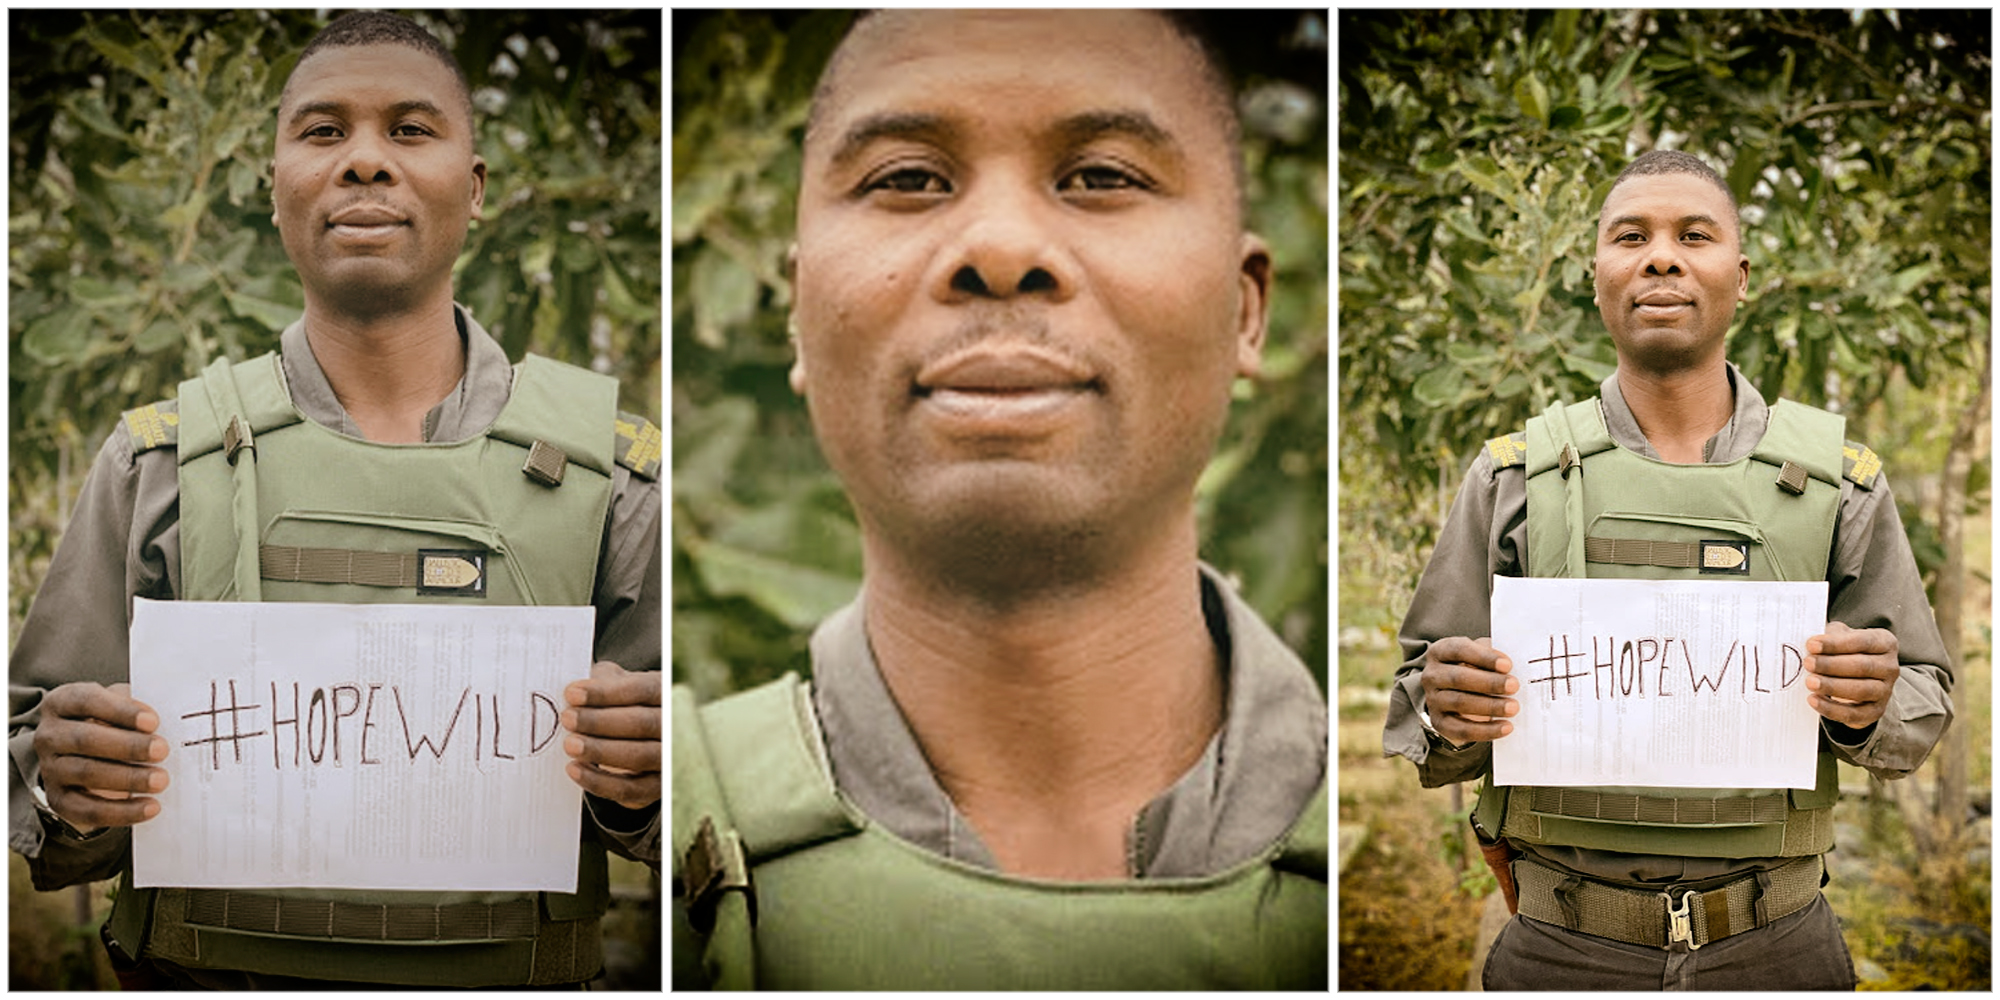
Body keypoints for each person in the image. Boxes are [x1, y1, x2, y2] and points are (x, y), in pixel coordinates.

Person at [671, 9, 1327, 990]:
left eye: (1101, 175)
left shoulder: (1382, 836)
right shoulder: (615, 844)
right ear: (800, 317)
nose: (1002, 246)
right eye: (906, 179)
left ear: (1243, 309)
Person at [7, 11, 662, 989]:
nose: (364, 162)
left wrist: (649, 775)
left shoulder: (614, 481)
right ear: (276, 192)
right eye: (322, 131)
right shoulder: (159, 463)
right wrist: (65, 780)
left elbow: (686, 807)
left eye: (409, 129)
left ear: (473, 189)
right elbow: (36, 755)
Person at [1385, 149, 1954, 990]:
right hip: (1560, 948)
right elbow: (1418, 700)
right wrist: (1447, 706)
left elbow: (1924, 694)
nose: (1661, 257)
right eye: (1631, 236)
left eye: (1695, 235)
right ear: (1594, 278)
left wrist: (1870, 706)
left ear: (1742, 275)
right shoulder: (1512, 478)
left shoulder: (1841, 481)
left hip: (1778, 947)